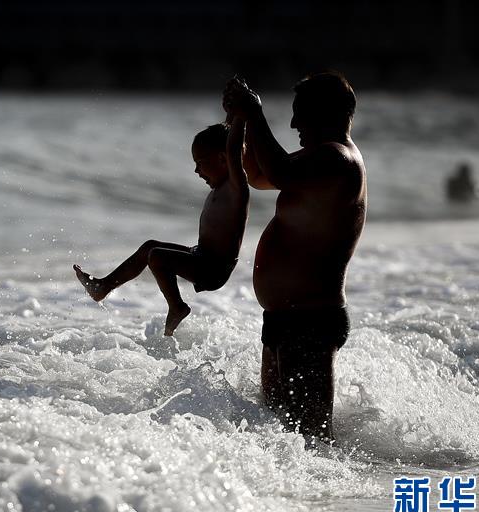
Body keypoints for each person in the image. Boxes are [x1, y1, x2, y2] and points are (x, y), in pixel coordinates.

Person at [223, 72, 367, 443]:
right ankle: (295, 497)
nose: (292, 123)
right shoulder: (317, 160)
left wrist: (255, 113)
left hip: (310, 320)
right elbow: (258, 174)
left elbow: (279, 171)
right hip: (285, 318)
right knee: (280, 434)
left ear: (328, 113)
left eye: (300, 113)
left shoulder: (338, 160)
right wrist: (239, 120)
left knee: (312, 439)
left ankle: (332, 497)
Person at [75, 120, 250, 336]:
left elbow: (233, 150)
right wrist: (231, 118)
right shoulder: (222, 186)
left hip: (214, 268)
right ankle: (103, 287)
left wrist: (241, 115)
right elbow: (228, 146)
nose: (196, 170)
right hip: (201, 255)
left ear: (223, 159)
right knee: (149, 247)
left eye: (200, 162)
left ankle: (177, 306)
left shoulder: (236, 187)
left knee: (157, 256)